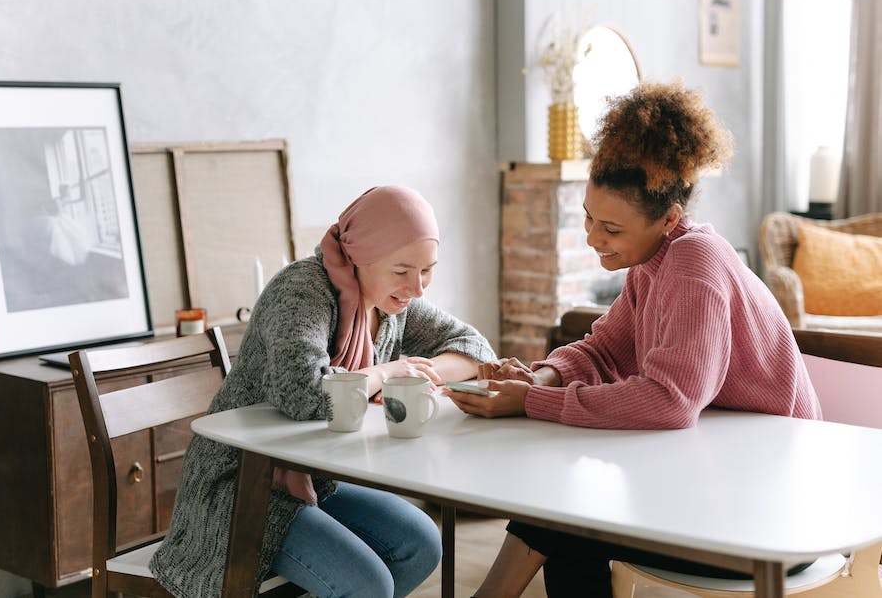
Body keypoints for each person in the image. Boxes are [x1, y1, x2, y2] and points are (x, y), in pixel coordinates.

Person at [445, 81, 822, 597]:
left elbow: (671, 402)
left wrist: (534, 401)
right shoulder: (653, 262)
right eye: (587, 218)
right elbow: (604, 348)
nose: (593, 238)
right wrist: (543, 374)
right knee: (564, 511)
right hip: (719, 479)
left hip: (773, 519)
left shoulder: (695, 266)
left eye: (611, 229)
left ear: (669, 219)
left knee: (570, 519)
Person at [150, 184, 496, 598]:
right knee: (369, 585)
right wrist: (385, 372)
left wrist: (423, 372)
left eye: (428, 269)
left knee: (419, 544)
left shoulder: (389, 303)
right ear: (360, 256)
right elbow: (304, 395)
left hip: (315, 479)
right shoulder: (303, 290)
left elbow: (475, 348)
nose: (418, 287)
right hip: (242, 487)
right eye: (403, 271)